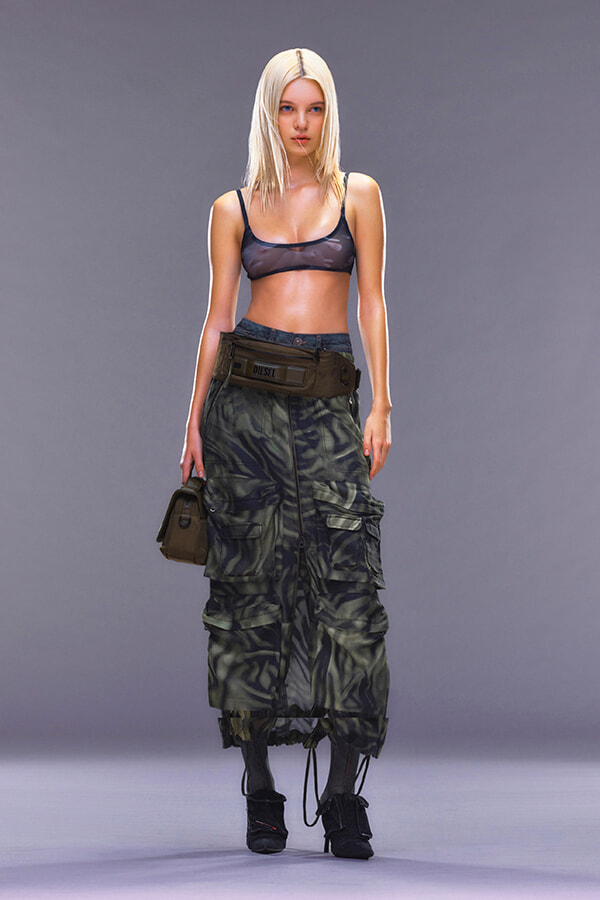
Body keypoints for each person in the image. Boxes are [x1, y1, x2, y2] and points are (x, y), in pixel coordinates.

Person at [180, 48, 392, 859]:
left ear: (328, 113)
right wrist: (193, 422)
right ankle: (261, 790)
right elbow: (216, 318)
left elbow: (371, 300)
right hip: (245, 411)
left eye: (314, 107)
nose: (301, 123)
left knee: (348, 595)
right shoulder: (232, 206)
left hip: (330, 403)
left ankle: (342, 798)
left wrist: (382, 401)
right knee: (250, 593)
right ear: (268, 113)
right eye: (287, 107)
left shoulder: (358, 194)